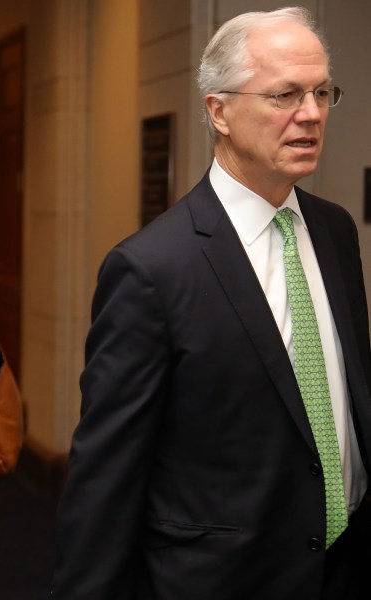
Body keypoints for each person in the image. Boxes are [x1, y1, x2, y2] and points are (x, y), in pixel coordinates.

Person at [53, 7, 371, 599]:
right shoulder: (151, 269)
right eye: (284, 95)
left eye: (321, 92)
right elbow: (108, 478)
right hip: (223, 580)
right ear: (218, 111)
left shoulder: (335, 231)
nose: (310, 114)